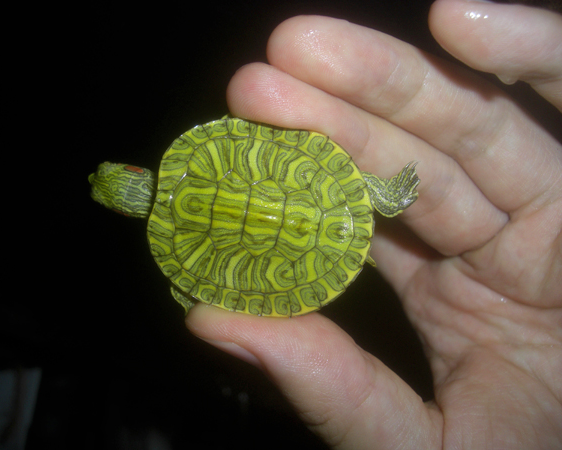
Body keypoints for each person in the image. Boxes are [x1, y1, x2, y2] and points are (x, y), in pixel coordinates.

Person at [186, 0, 562, 448]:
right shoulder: (194, 161)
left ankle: (385, 198)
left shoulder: (182, 254)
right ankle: (384, 197)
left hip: (303, 246)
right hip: (317, 203)